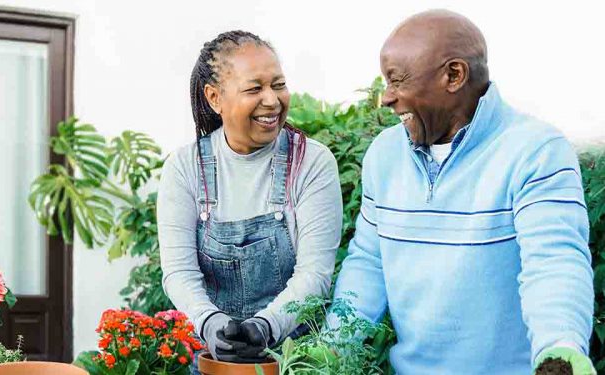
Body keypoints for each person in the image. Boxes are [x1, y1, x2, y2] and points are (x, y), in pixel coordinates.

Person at [330, 10, 595, 374]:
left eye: (397, 81)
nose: (387, 98)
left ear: (453, 75)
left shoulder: (534, 150)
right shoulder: (384, 154)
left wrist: (559, 349)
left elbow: (554, 261)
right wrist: (330, 349)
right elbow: (368, 263)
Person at [157, 30, 342, 367]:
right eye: (254, 89)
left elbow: (315, 274)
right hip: (212, 358)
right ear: (215, 98)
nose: (271, 100)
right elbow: (179, 273)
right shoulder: (184, 168)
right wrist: (211, 324)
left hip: (291, 359)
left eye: (279, 84)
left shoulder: (311, 163)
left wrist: (265, 326)